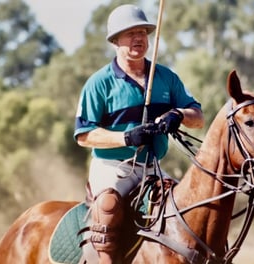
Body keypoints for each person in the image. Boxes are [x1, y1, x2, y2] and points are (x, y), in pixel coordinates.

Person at [74, 4, 204, 264]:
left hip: (152, 167)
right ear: (115, 41)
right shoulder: (99, 83)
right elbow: (84, 135)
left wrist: (177, 115)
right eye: (130, 33)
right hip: (113, 167)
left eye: (143, 32)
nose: (138, 38)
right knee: (108, 207)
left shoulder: (165, 77)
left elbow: (197, 118)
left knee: (185, 207)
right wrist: (125, 137)